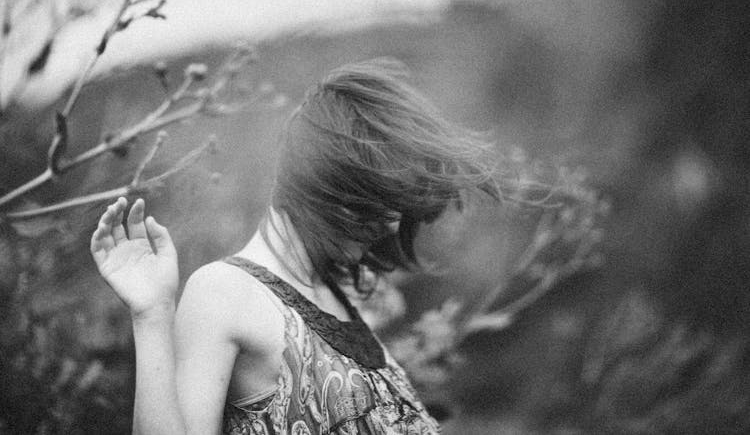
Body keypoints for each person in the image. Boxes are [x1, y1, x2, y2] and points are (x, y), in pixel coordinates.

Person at [90, 58, 500, 434]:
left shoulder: (340, 292)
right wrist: (151, 314)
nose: (392, 223)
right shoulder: (225, 291)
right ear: (327, 184)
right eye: (378, 201)